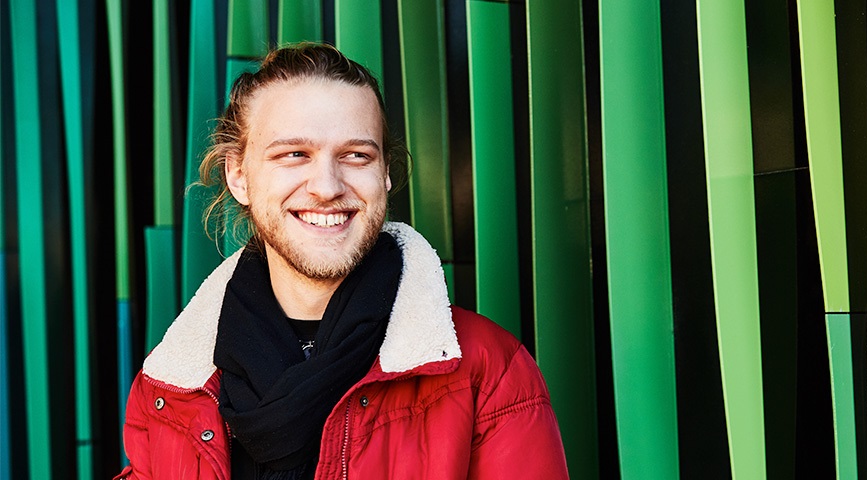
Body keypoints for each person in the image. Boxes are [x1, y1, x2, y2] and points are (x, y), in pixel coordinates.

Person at [115, 43, 568, 480]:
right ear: (239, 177)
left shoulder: (487, 371)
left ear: (385, 174)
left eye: (356, 155)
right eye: (294, 154)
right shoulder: (169, 389)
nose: (327, 186)